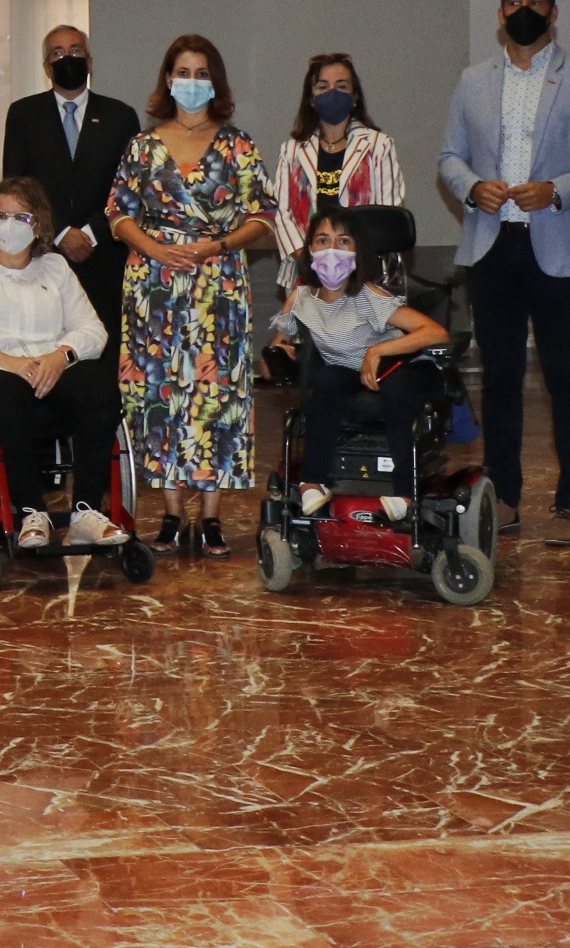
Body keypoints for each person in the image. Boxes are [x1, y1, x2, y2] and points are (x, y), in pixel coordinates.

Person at [437, 0, 570, 550]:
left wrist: (558, 190)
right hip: (491, 245)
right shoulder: (472, 80)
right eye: (513, 1)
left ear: (553, 11)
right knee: (499, 378)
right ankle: (504, 497)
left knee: (565, 377)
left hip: (559, 248)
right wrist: (473, 187)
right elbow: (449, 157)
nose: (524, 10)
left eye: (536, 1)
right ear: (500, 13)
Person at [108, 35, 272, 560]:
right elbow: (118, 213)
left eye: (202, 73)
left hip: (217, 282)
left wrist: (215, 246)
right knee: (161, 393)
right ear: (168, 79)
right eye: (183, 71)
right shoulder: (142, 145)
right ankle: (172, 512)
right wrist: (155, 247)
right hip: (154, 283)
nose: (192, 82)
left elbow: (263, 216)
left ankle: (212, 514)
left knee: (215, 392)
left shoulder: (238, 145)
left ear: (215, 82)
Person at [0, 176, 127, 552]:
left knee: (100, 390)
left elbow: (93, 331)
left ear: (38, 224)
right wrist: (10, 362)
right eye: (1, 215)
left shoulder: (55, 268)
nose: (9, 224)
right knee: (5, 397)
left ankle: (85, 512)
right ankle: (30, 512)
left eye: (21, 217)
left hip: (51, 366)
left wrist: (60, 356)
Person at [270, 207, 449, 518]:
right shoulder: (300, 300)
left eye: (343, 241)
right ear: (309, 249)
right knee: (327, 380)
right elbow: (277, 345)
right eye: (322, 240)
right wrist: (281, 354)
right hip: (353, 373)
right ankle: (312, 482)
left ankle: (405, 494)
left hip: (402, 367)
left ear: (357, 251)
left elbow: (436, 332)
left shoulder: (368, 296)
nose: (331, 251)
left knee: (396, 389)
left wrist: (377, 351)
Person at [0, 25, 142, 362]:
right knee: (47, 348)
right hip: (43, 253)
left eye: (76, 51)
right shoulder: (23, 114)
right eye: (58, 53)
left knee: (105, 349)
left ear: (89, 62)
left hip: (104, 255)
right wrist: (61, 232)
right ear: (47, 67)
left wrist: (91, 233)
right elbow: (16, 186)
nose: (68, 58)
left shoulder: (120, 116)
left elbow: (130, 189)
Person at [270, 52, 405, 289]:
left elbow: (386, 214)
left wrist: (348, 264)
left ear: (355, 96)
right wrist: (311, 262)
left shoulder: (378, 146)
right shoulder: (291, 150)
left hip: (364, 275)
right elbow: (282, 214)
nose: (332, 93)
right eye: (322, 87)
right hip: (307, 274)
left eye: (341, 86)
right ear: (311, 98)